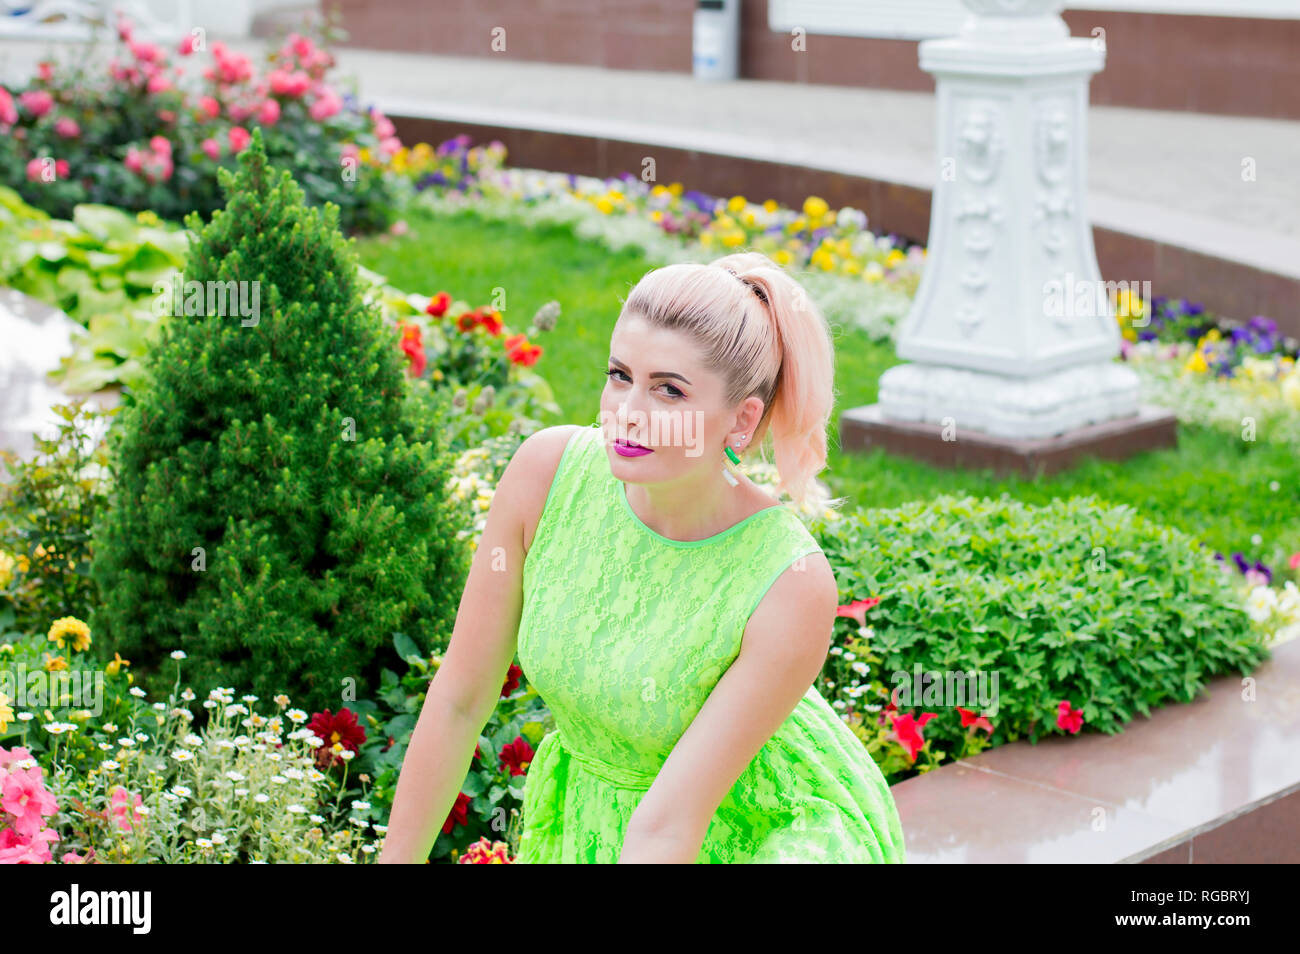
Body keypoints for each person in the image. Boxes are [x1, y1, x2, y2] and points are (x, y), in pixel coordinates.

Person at [379, 250, 906, 864]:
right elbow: (460, 701)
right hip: (597, 816)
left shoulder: (790, 581)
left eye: (669, 391)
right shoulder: (545, 476)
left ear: (741, 420)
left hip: (763, 831)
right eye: (619, 375)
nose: (626, 414)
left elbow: (665, 828)